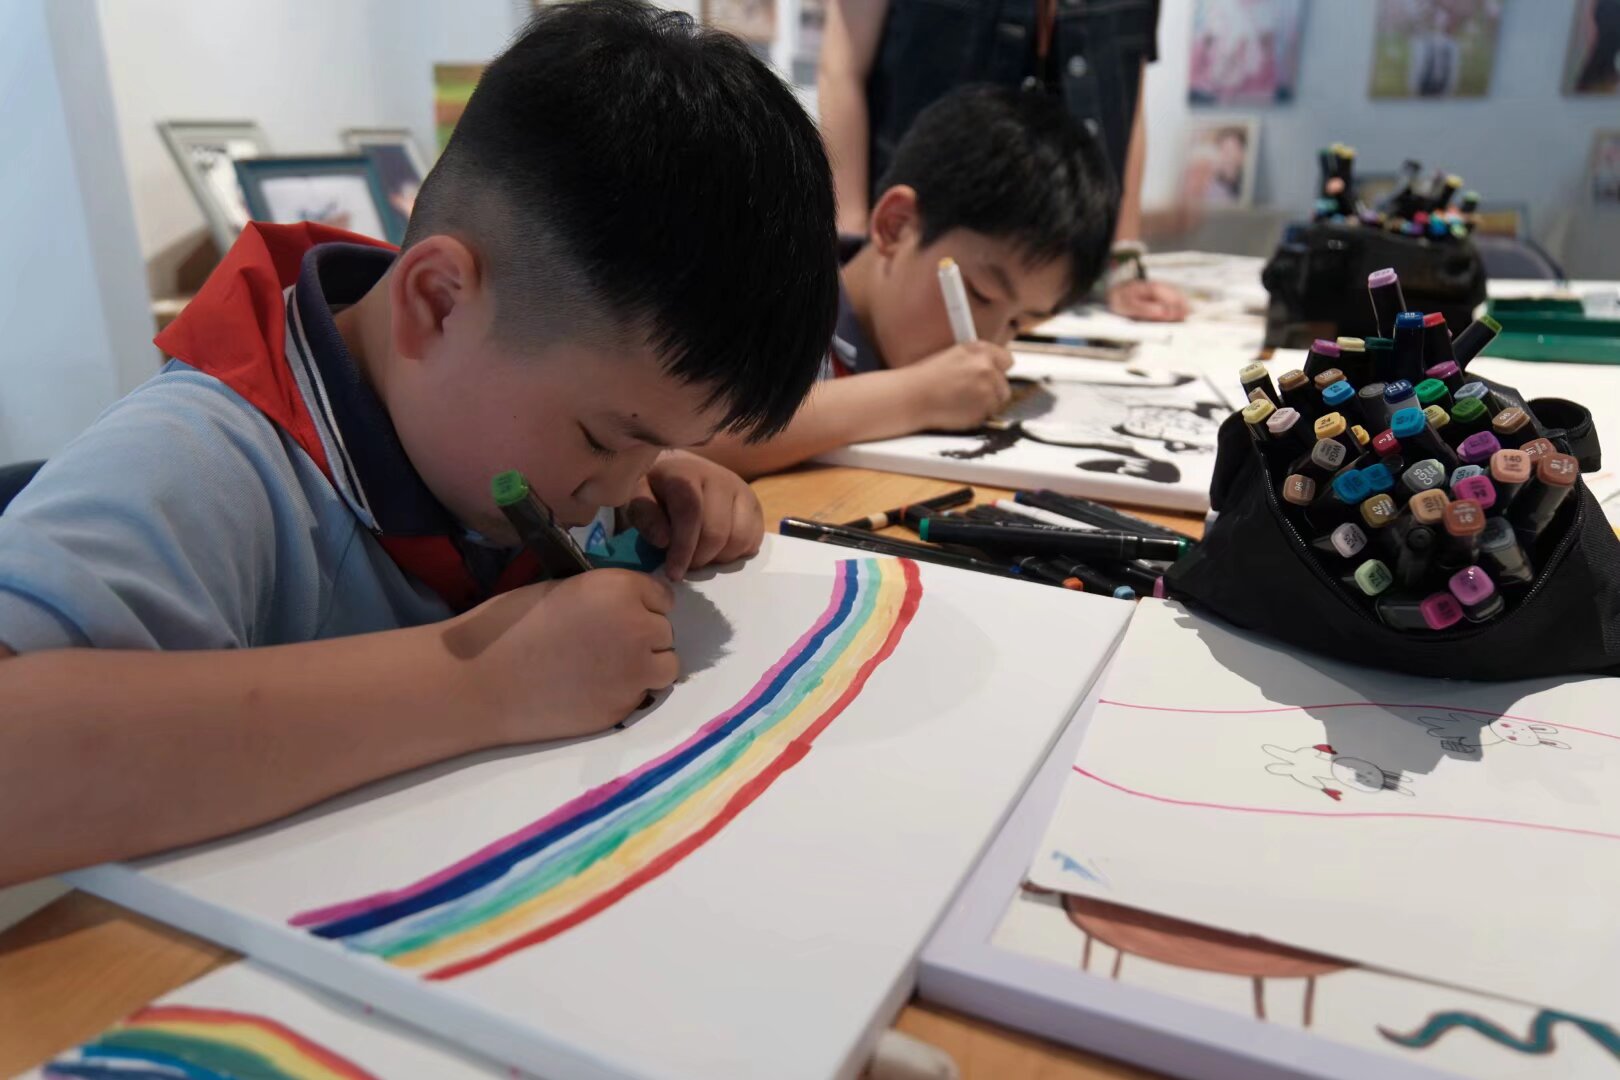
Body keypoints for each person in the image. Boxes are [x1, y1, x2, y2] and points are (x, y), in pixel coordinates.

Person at [0, 0, 839, 887]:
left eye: (659, 446)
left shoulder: (483, 409)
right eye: (603, 439)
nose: (610, 488)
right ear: (436, 301)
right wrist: (482, 682)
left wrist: (669, 483)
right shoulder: (198, 465)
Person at [699, 85, 1114, 478]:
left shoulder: (897, 341)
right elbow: (702, 432)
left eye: (1019, 323)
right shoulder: (772, 294)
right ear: (896, 226)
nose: (990, 342)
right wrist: (917, 396)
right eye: (979, 295)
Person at [818, 0, 1188, 323]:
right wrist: (851, 239)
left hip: (1061, 284)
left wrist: (1122, 258)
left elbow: (1125, 98)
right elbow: (842, 68)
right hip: (923, 257)